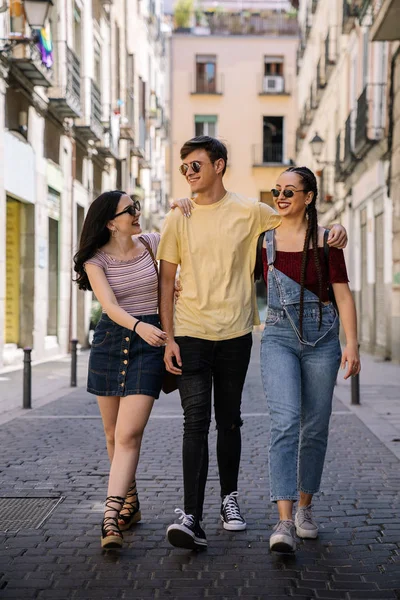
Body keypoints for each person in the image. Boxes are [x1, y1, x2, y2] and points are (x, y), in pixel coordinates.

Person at [157, 136, 347, 551]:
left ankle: (230, 500)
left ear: (219, 166)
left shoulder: (252, 211)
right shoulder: (177, 216)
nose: (188, 173)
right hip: (189, 331)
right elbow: (166, 281)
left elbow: (297, 222)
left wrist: (335, 229)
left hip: (237, 331)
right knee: (195, 422)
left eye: (195, 165)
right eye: (184, 166)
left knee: (230, 420)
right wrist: (167, 337)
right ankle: (191, 516)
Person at [73, 190, 189, 549]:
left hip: (148, 346)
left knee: (128, 434)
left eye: (136, 208)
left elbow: (189, 234)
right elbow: (108, 306)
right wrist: (139, 326)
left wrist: (183, 207)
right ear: (111, 222)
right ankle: (130, 503)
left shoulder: (152, 243)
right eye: (130, 210)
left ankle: (110, 518)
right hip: (112, 342)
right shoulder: (95, 260)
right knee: (112, 434)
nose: (137, 214)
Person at [257, 166, 361, 553]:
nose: (280, 197)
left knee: (315, 426)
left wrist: (352, 344)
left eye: (289, 191)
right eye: (276, 190)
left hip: (323, 340)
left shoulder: (326, 243)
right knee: (285, 422)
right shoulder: (263, 241)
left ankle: (305, 508)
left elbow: (343, 295)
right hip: (279, 338)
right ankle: (283, 520)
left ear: (309, 197)